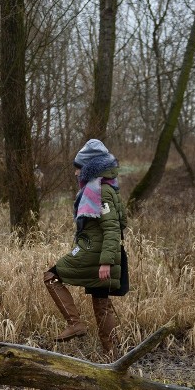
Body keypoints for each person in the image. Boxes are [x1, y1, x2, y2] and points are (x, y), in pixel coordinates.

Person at [44, 139, 129, 357]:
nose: (75, 173)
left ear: (90, 168)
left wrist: (105, 261)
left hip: (95, 254)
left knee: (51, 276)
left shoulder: (101, 191)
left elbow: (112, 228)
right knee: (102, 303)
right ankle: (111, 355)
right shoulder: (107, 188)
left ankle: (75, 324)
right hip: (98, 253)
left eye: (79, 168)